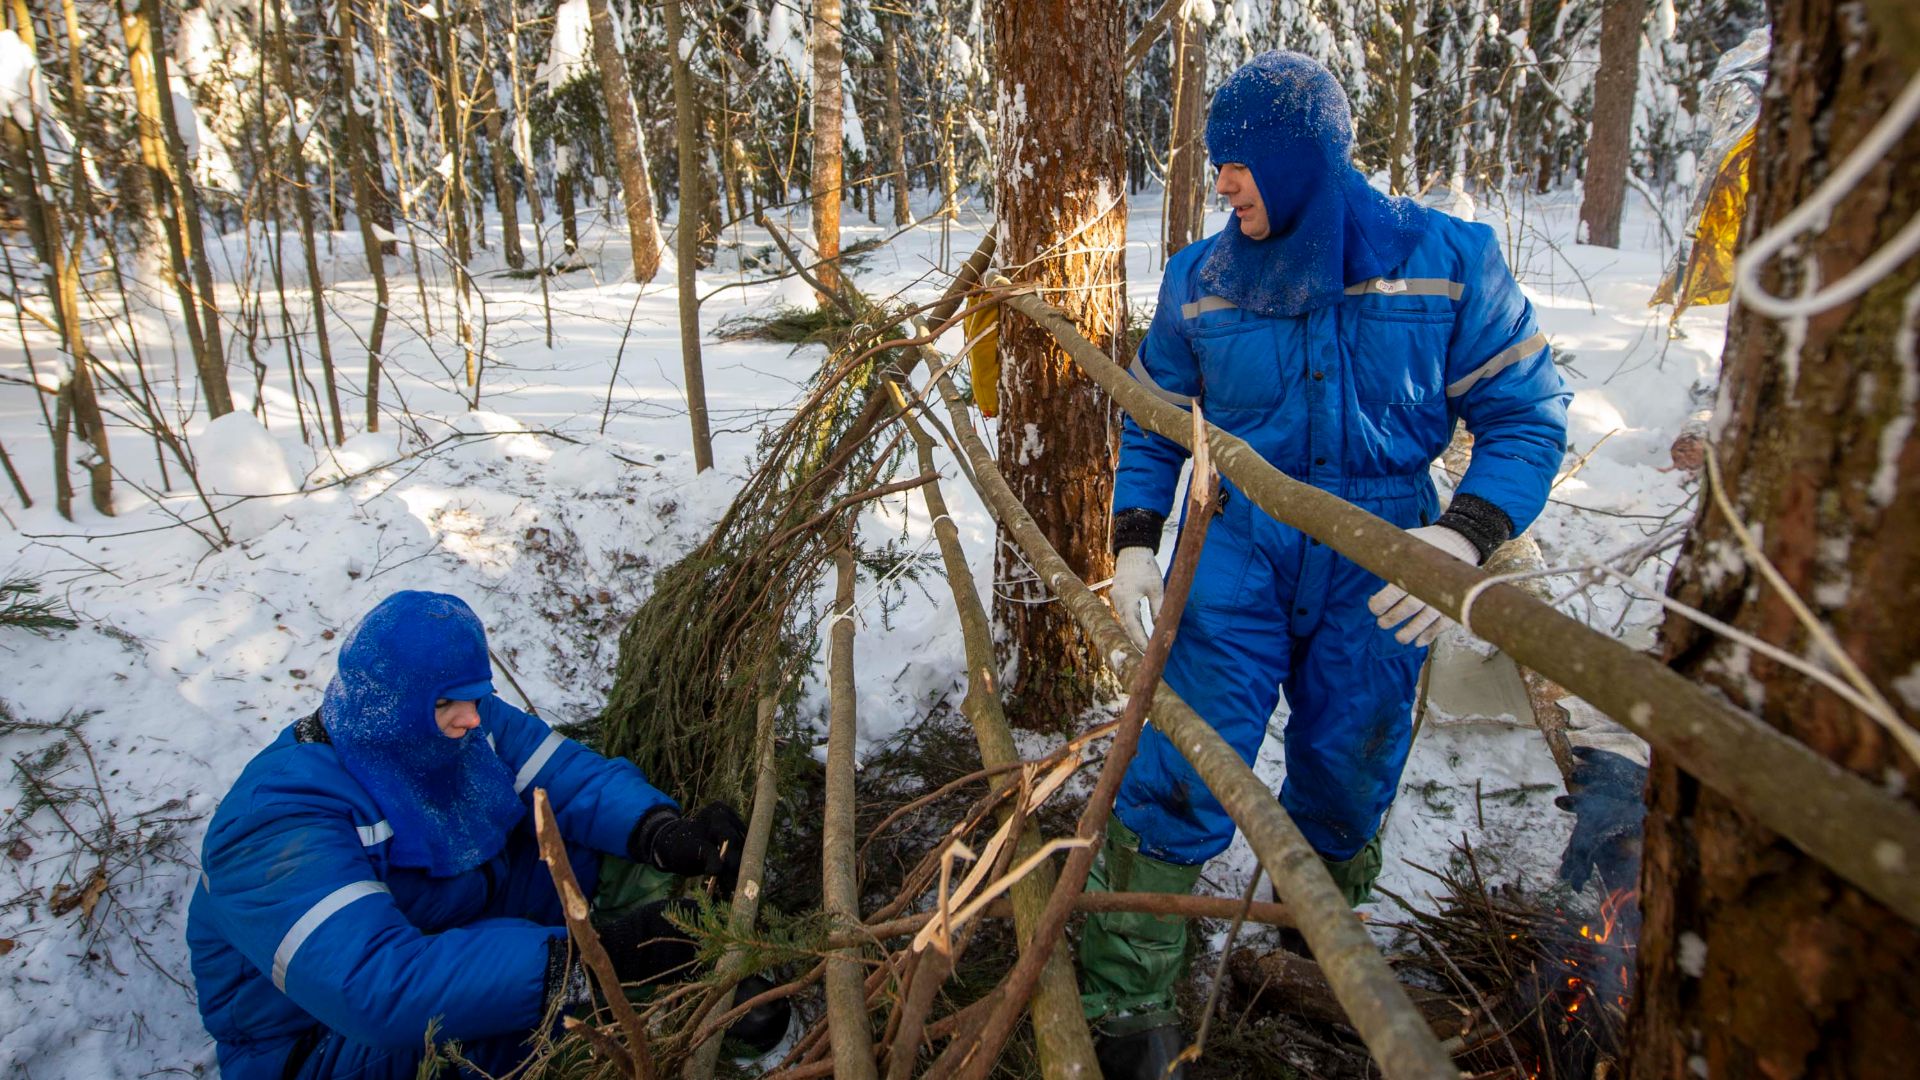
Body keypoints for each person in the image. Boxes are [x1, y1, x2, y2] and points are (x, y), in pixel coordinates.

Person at [1089, 52, 1570, 1077]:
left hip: (1384, 560)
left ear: (1302, 160)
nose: (1223, 184)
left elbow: (1526, 414)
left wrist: (1460, 536)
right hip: (1237, 556)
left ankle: (1313, 945)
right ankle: (1128, 1005)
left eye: (1240, 164)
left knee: (1350, 768)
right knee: (1180, 767)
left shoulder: (1445, 262)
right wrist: (1135, 537)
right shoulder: (1202, 280)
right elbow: (1155, 425)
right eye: (1217, 165)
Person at [187, 590, 777, 1079]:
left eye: (475, 697)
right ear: (392, 707)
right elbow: (377, 989)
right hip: (324, 1048)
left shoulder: (453, 724)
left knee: (613, 852)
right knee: (537, 1042)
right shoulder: (274, 820)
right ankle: (665, 1014)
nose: (473, 717)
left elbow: (566, 780)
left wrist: (663, 832)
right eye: (450, 703)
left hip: (462, 921)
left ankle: (695, 965)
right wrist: (591, 961)